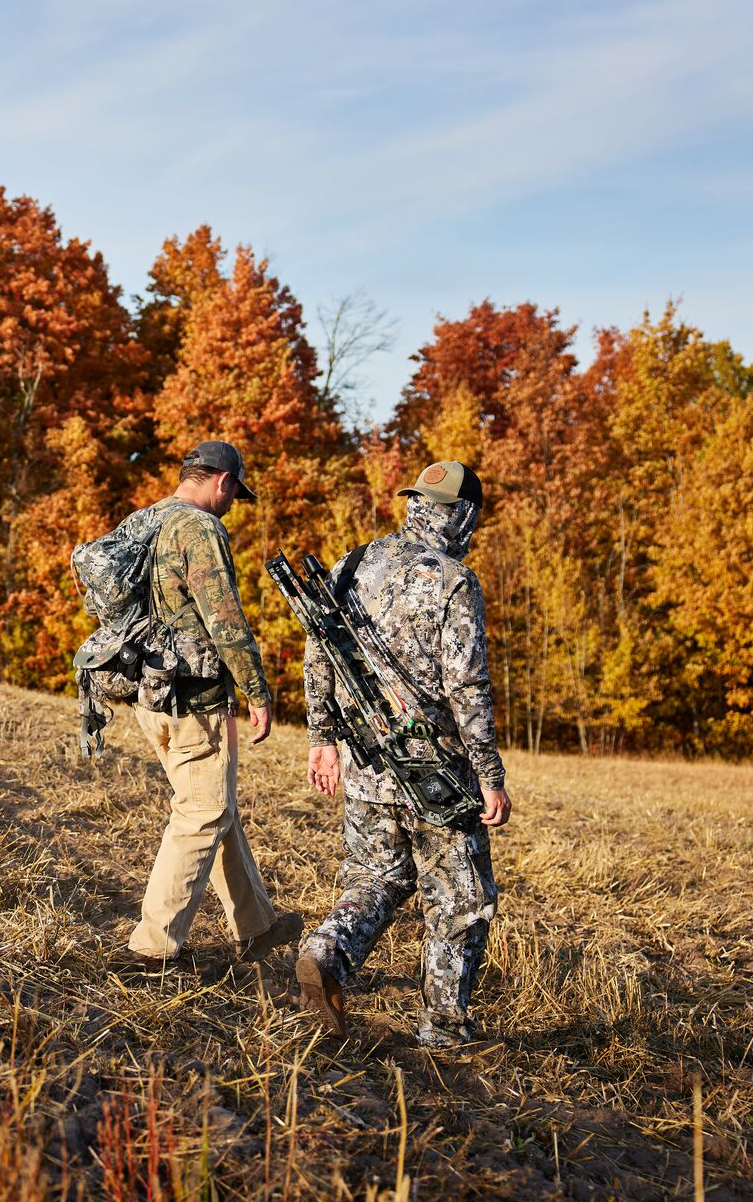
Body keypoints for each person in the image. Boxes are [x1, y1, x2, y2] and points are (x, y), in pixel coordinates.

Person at [293, 459, 513, 1047]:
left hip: (367, 766)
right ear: (463, 515)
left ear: (416, 502)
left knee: (376, 878)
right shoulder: (453, 580)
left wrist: (323, 739)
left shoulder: (352, 564)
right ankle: (445, 1027)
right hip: (437, 777)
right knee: (461, 900)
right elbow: (467, 687)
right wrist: (490, 775)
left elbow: (318, 657)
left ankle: (327, 952)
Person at [124, 440, 303, 964]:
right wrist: (258, 690)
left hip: (149, 695)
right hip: (194, 699)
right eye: (234, 494)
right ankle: (152, 949)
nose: (231, 505)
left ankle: (256, 926)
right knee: (202, 813)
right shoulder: (199, 528)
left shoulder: (146, 521)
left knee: (217, 807)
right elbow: (224, 620)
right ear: (223, 482)